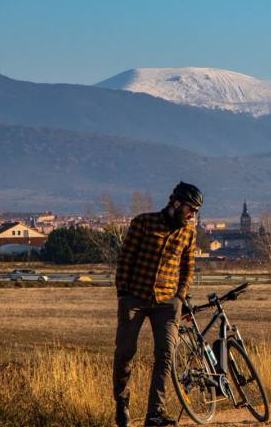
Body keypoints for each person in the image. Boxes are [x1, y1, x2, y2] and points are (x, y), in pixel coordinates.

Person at [113, 182, 202, 427]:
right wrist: (123, 293)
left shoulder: (188, 233)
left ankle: (155, 414)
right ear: (176, 203)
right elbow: (125, 259)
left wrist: (180, 297)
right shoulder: (143, 223)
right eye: (190, 209)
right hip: (134, 298)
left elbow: (188, 268)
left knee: (165, 354)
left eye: (196, 211)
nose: (193, 214)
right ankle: (121, 402)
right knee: (125, 353)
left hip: (168, 303)